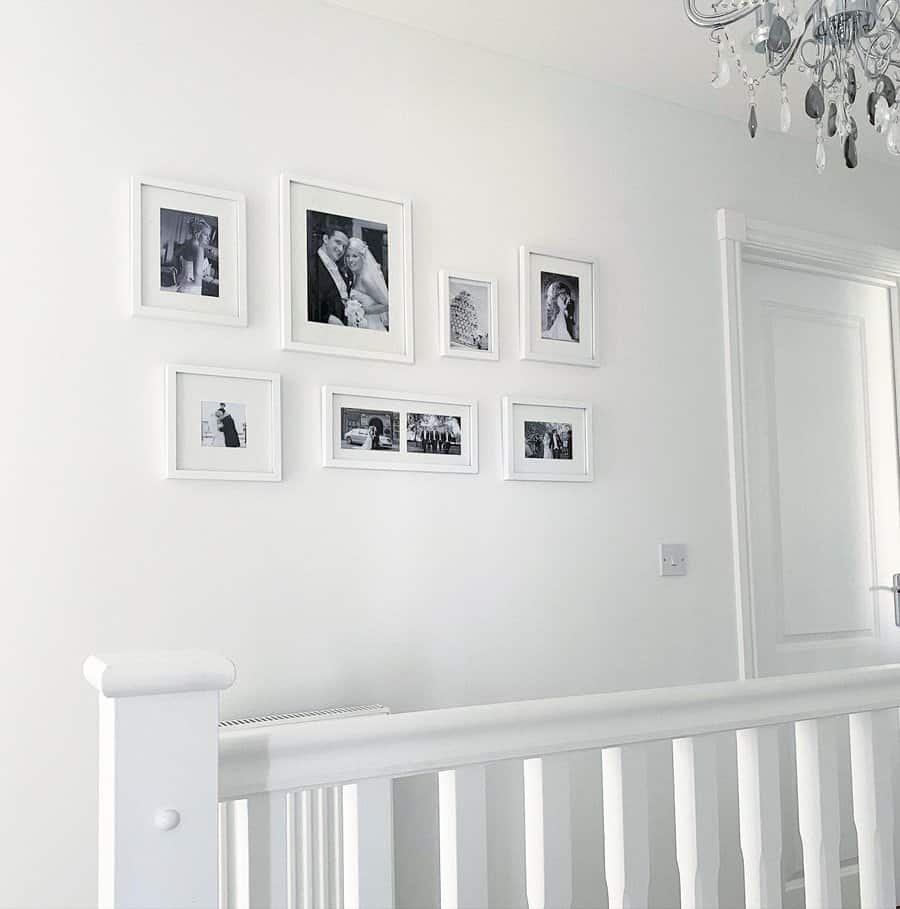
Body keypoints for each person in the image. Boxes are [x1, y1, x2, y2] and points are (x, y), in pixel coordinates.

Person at [345, 238, 389, 331]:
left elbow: (386, 305)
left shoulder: (366, 279)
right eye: (347, 256)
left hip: (371, 326)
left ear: (362, 257)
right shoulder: (356, 275)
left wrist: (361, 311)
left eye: (354, 256)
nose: (350, 260)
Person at [308, 226, 350, 325]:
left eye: (344, 247)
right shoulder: (309, 265)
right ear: (326, 239)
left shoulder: (340, 270)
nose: (341, 250)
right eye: (338, 242)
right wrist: (327, 318)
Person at [174, 217, 213, 295]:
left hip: (182, 288)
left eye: (209, 235)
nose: (208, 238)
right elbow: (198, 281)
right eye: (205, 235)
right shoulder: (199, 249)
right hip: (192, 291)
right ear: (196, 233)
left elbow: (175, 254)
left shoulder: (186, 243)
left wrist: (178, 273)